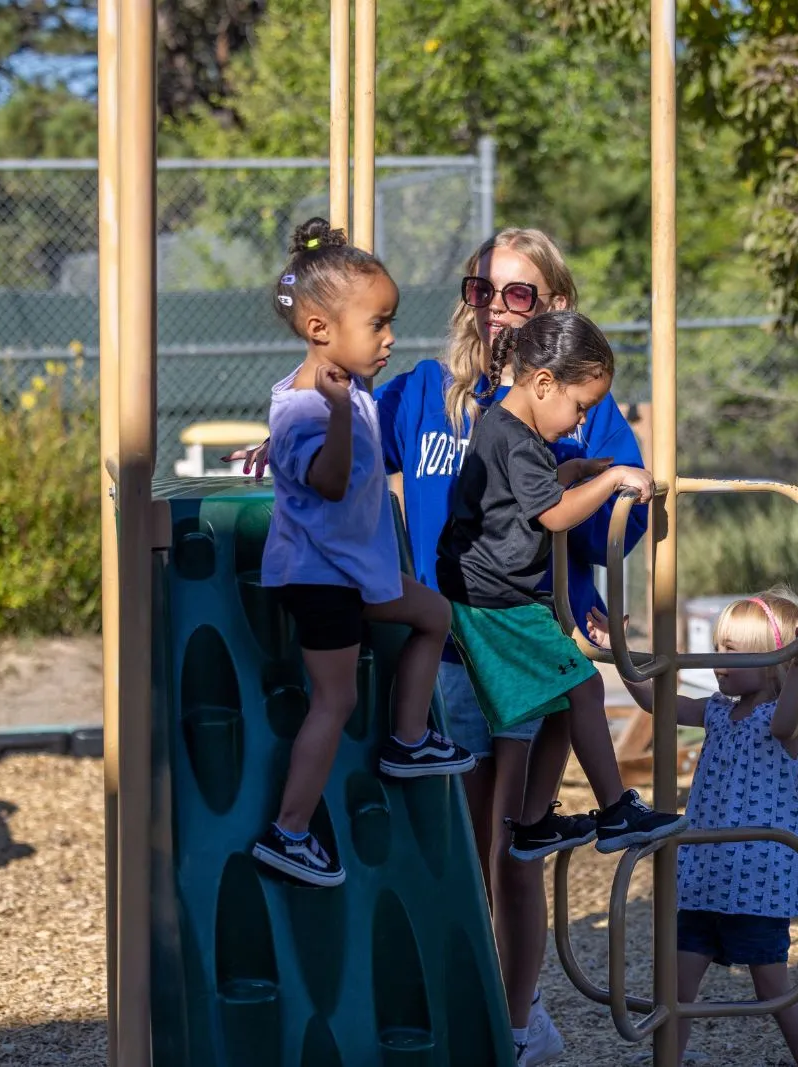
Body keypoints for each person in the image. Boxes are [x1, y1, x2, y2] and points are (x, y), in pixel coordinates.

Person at [232, 228, 645, 1063]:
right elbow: (339, 434)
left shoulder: (573, 402)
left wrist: (593, 578)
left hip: (517, 639)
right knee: (455, 841)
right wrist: (282, 441)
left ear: (554, 307)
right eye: (481, 290)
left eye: (519, 293)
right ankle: (460, 1003)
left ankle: (516, 1016)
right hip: (446, 648)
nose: (496, 307)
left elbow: (608, 527)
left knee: (512, 844)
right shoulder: (428, 393)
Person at [437, 309, 687, 1065]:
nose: (580, 420)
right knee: (580, 685)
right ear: (541, 382)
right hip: (494, 604)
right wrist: (607, 475)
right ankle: (615, 811)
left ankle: (541, 821)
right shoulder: (511, 434)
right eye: (579, 406)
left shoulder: (512, 431)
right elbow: (548, 512)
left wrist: (577, 469)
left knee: (555, 707)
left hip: (495, 599)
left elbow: (540, 492)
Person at [252, 218, 474, 888]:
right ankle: (290, 830)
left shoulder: (346, 390)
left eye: (390, 321)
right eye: (378, 323)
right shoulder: (311, 406)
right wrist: (340, 414)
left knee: (435, 614)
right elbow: (326, 477)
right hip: (321, 580)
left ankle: (409, 738)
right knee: (335, 700)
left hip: (354, 572)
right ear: (322, 330)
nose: (390, 337)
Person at [592, 591, 798, 1067]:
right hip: (706, 874)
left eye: (734, 651)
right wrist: (619, 653)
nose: (719, 662)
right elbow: (657, 701)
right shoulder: (718, 710)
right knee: (677, 990)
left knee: (773, 990)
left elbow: (784, 727)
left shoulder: (792, 714)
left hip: (757, 883)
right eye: (718, 648)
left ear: (775, 660)